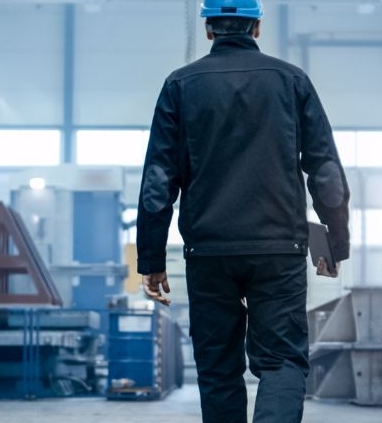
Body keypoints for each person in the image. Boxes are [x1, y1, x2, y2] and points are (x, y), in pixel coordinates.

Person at [136, 1, 350, 422]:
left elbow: (159, 180)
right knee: (282, 362)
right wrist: (336, 243)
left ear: (209, 30)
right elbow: (325, 172)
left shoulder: (180, 85)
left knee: (218, 369)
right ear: (257, 27)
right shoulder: (291, 81)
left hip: (208, 252)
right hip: (279, 248)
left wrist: (151, 259)